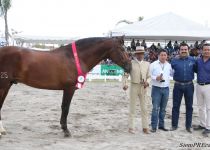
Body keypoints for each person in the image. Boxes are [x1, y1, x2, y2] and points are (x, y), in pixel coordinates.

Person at [122, 46, 151, 134]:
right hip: (133, 86)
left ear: (143, 54)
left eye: (141, 53)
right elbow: (125, 74)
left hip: (144, 87)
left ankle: (145, 127)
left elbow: (149, 76)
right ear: (136, 54)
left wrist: (147, 82)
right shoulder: (130, 63)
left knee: (144, 108)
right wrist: (125, 83)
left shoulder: (147, 64)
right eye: (138, 53)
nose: (140, 55)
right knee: (132, 108)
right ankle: (131, 127)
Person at [171, 42, 196, 133]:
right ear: (179, 50)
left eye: (185, 49)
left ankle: (188, 126)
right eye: (182, 49)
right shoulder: (174, 61)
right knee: (175, 106)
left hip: (189, 85)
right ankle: (174, 125)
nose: (184, 51)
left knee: (189, 106)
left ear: (188, 50)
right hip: (177, 85)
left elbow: (198, 70)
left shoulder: (193, 60)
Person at [150, 49, 173, 132]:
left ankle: (161, 125)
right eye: (162, 55)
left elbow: (171, 74)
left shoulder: (169, 65)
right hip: (156, 88)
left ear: (167, 56)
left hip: (166, 88)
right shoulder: (153, 64)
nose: (163, 56)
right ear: (158, 55)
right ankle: (153, 126)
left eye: (165, 55)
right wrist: (156, 78)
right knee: (155, 108)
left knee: (163, 109)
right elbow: (149, 75)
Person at [193, 43, 210, 137]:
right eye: (205, 49)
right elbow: (196, 70)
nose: (207, 51)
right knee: (200, 107)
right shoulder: (198, 61)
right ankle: (202, 124)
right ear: (202, 51)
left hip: (209, 86)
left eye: (208, 49)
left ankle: (208, 127)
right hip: (199, 85)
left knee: (209, 108)